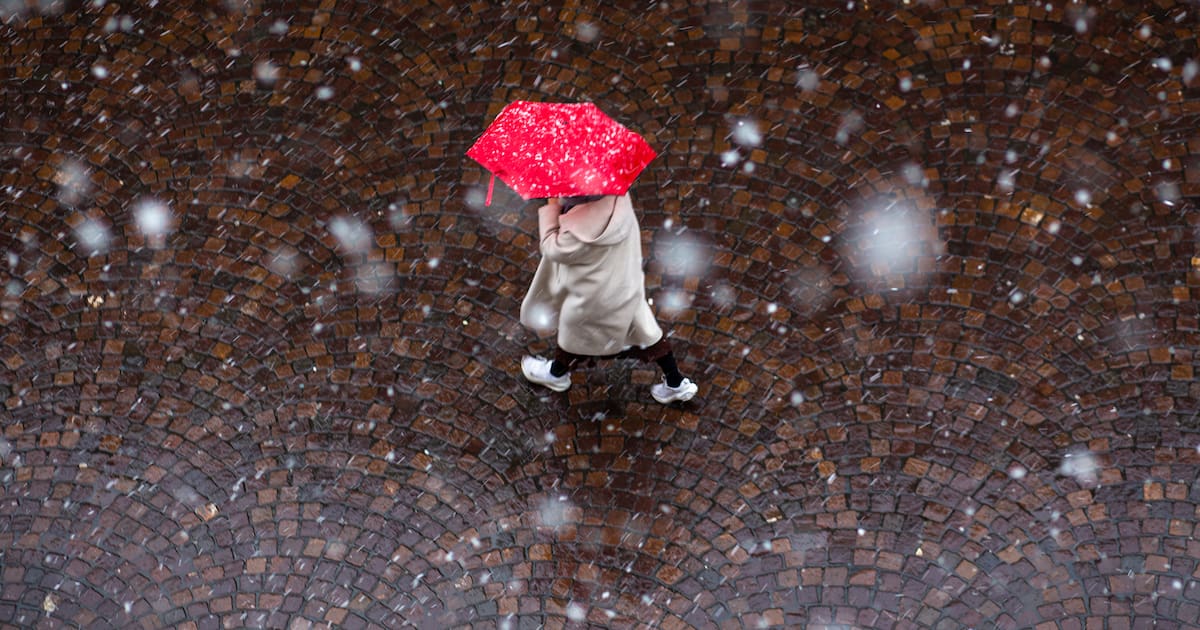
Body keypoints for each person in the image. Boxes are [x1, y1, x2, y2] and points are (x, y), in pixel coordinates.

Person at [519, 194, 698, 403]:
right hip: (622, 283)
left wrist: (551, 208)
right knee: (647, 334)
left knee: (574, 334)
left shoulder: (578, 231)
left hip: (594, 295)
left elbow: (553, 249)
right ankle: (675, 382)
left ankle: (557, 374)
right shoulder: (618, 199)